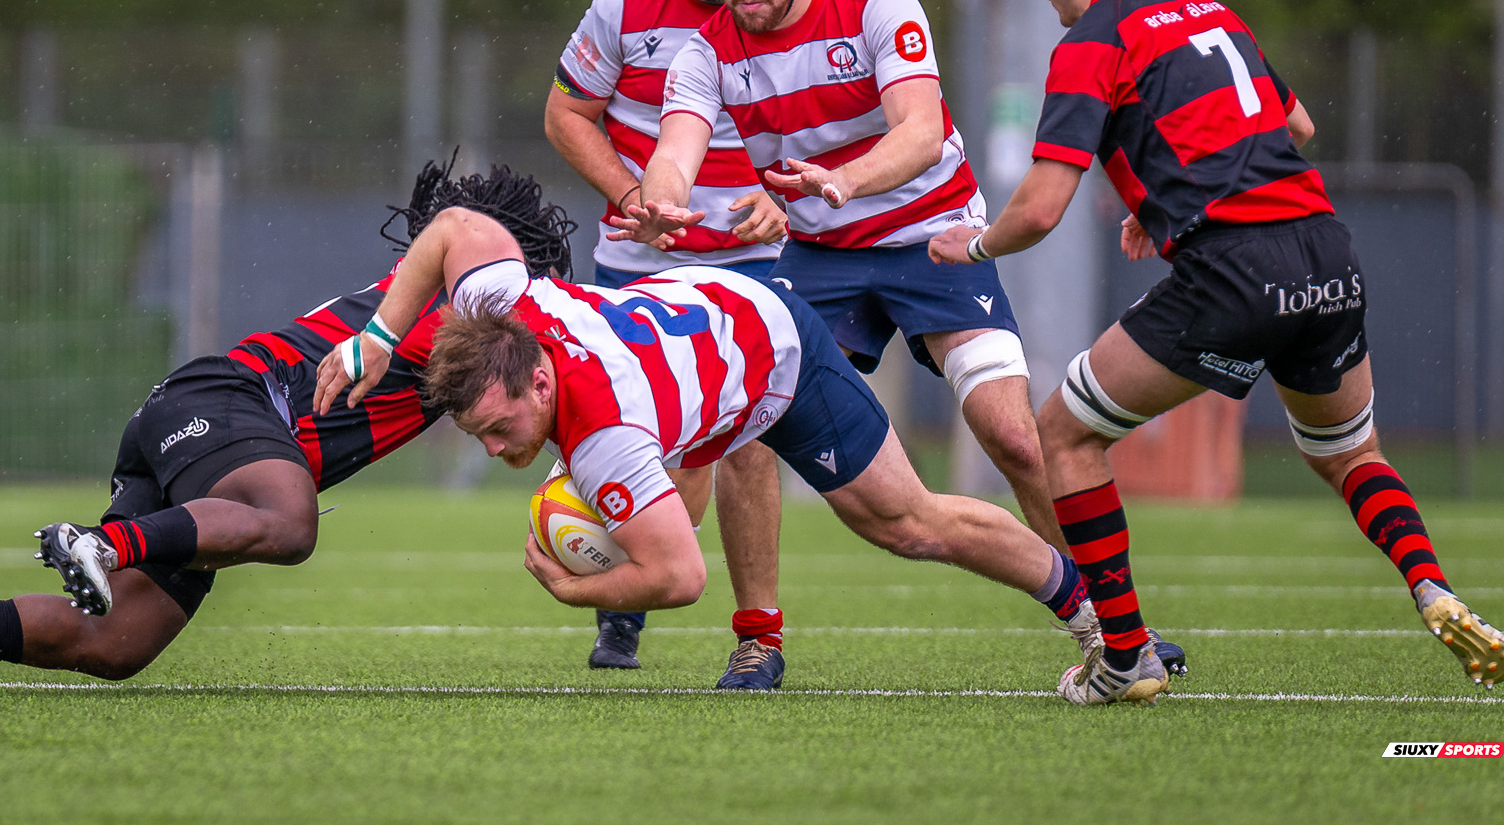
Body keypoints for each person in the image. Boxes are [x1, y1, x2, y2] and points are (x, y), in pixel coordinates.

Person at [929, 0, 1504, 705]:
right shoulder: (1211, 13)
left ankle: (1124, 658)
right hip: (1326, 255)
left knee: (1063, 437)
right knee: (1353, 453)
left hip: (1235, 268)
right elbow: (1295, 124)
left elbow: (1043, 207)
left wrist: (974, 245)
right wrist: (1166, 201)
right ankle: (1431, 585)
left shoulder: (1092, 39)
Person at [608, 0, 1184, 671]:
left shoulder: (880, 4)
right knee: (748, 427)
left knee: (1015, 439)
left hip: (935, 239)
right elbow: (676, 152)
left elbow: (918, 131)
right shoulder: (705, 53)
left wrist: (843, 182)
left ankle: (1119, 629)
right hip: (821, 260)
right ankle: (757, 640)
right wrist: (660, 202)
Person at [0, 163, 578, 695]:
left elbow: (535, 409)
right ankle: (103, 545)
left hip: (206, 440)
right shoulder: (466, 302)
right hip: (228, 399)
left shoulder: (472, 348)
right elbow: (461, 233)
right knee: (291, 522)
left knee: (115, 644)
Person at [315, 206, 1107, 685]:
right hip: (705, 328)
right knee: (700, 460)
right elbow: (455, 227)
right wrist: (378, 337)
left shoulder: (606, 439)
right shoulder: (501, 304)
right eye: (479, 436)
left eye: (498, 427)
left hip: (776, 353)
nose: (493, 451)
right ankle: (761, 638)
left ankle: (1098, 615)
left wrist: (572, 591)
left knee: (905, 523)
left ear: (542, 382)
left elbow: (679, 576)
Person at [544, 0, 790, 683]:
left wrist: (788, 202)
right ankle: (625, 605)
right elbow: (565, 113)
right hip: (635, 264)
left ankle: (758, 638)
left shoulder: (777, 5)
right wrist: (629, 195)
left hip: (749, 263)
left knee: (747, 441)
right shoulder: (624, 5)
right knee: (622, 434)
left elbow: (827, 123)